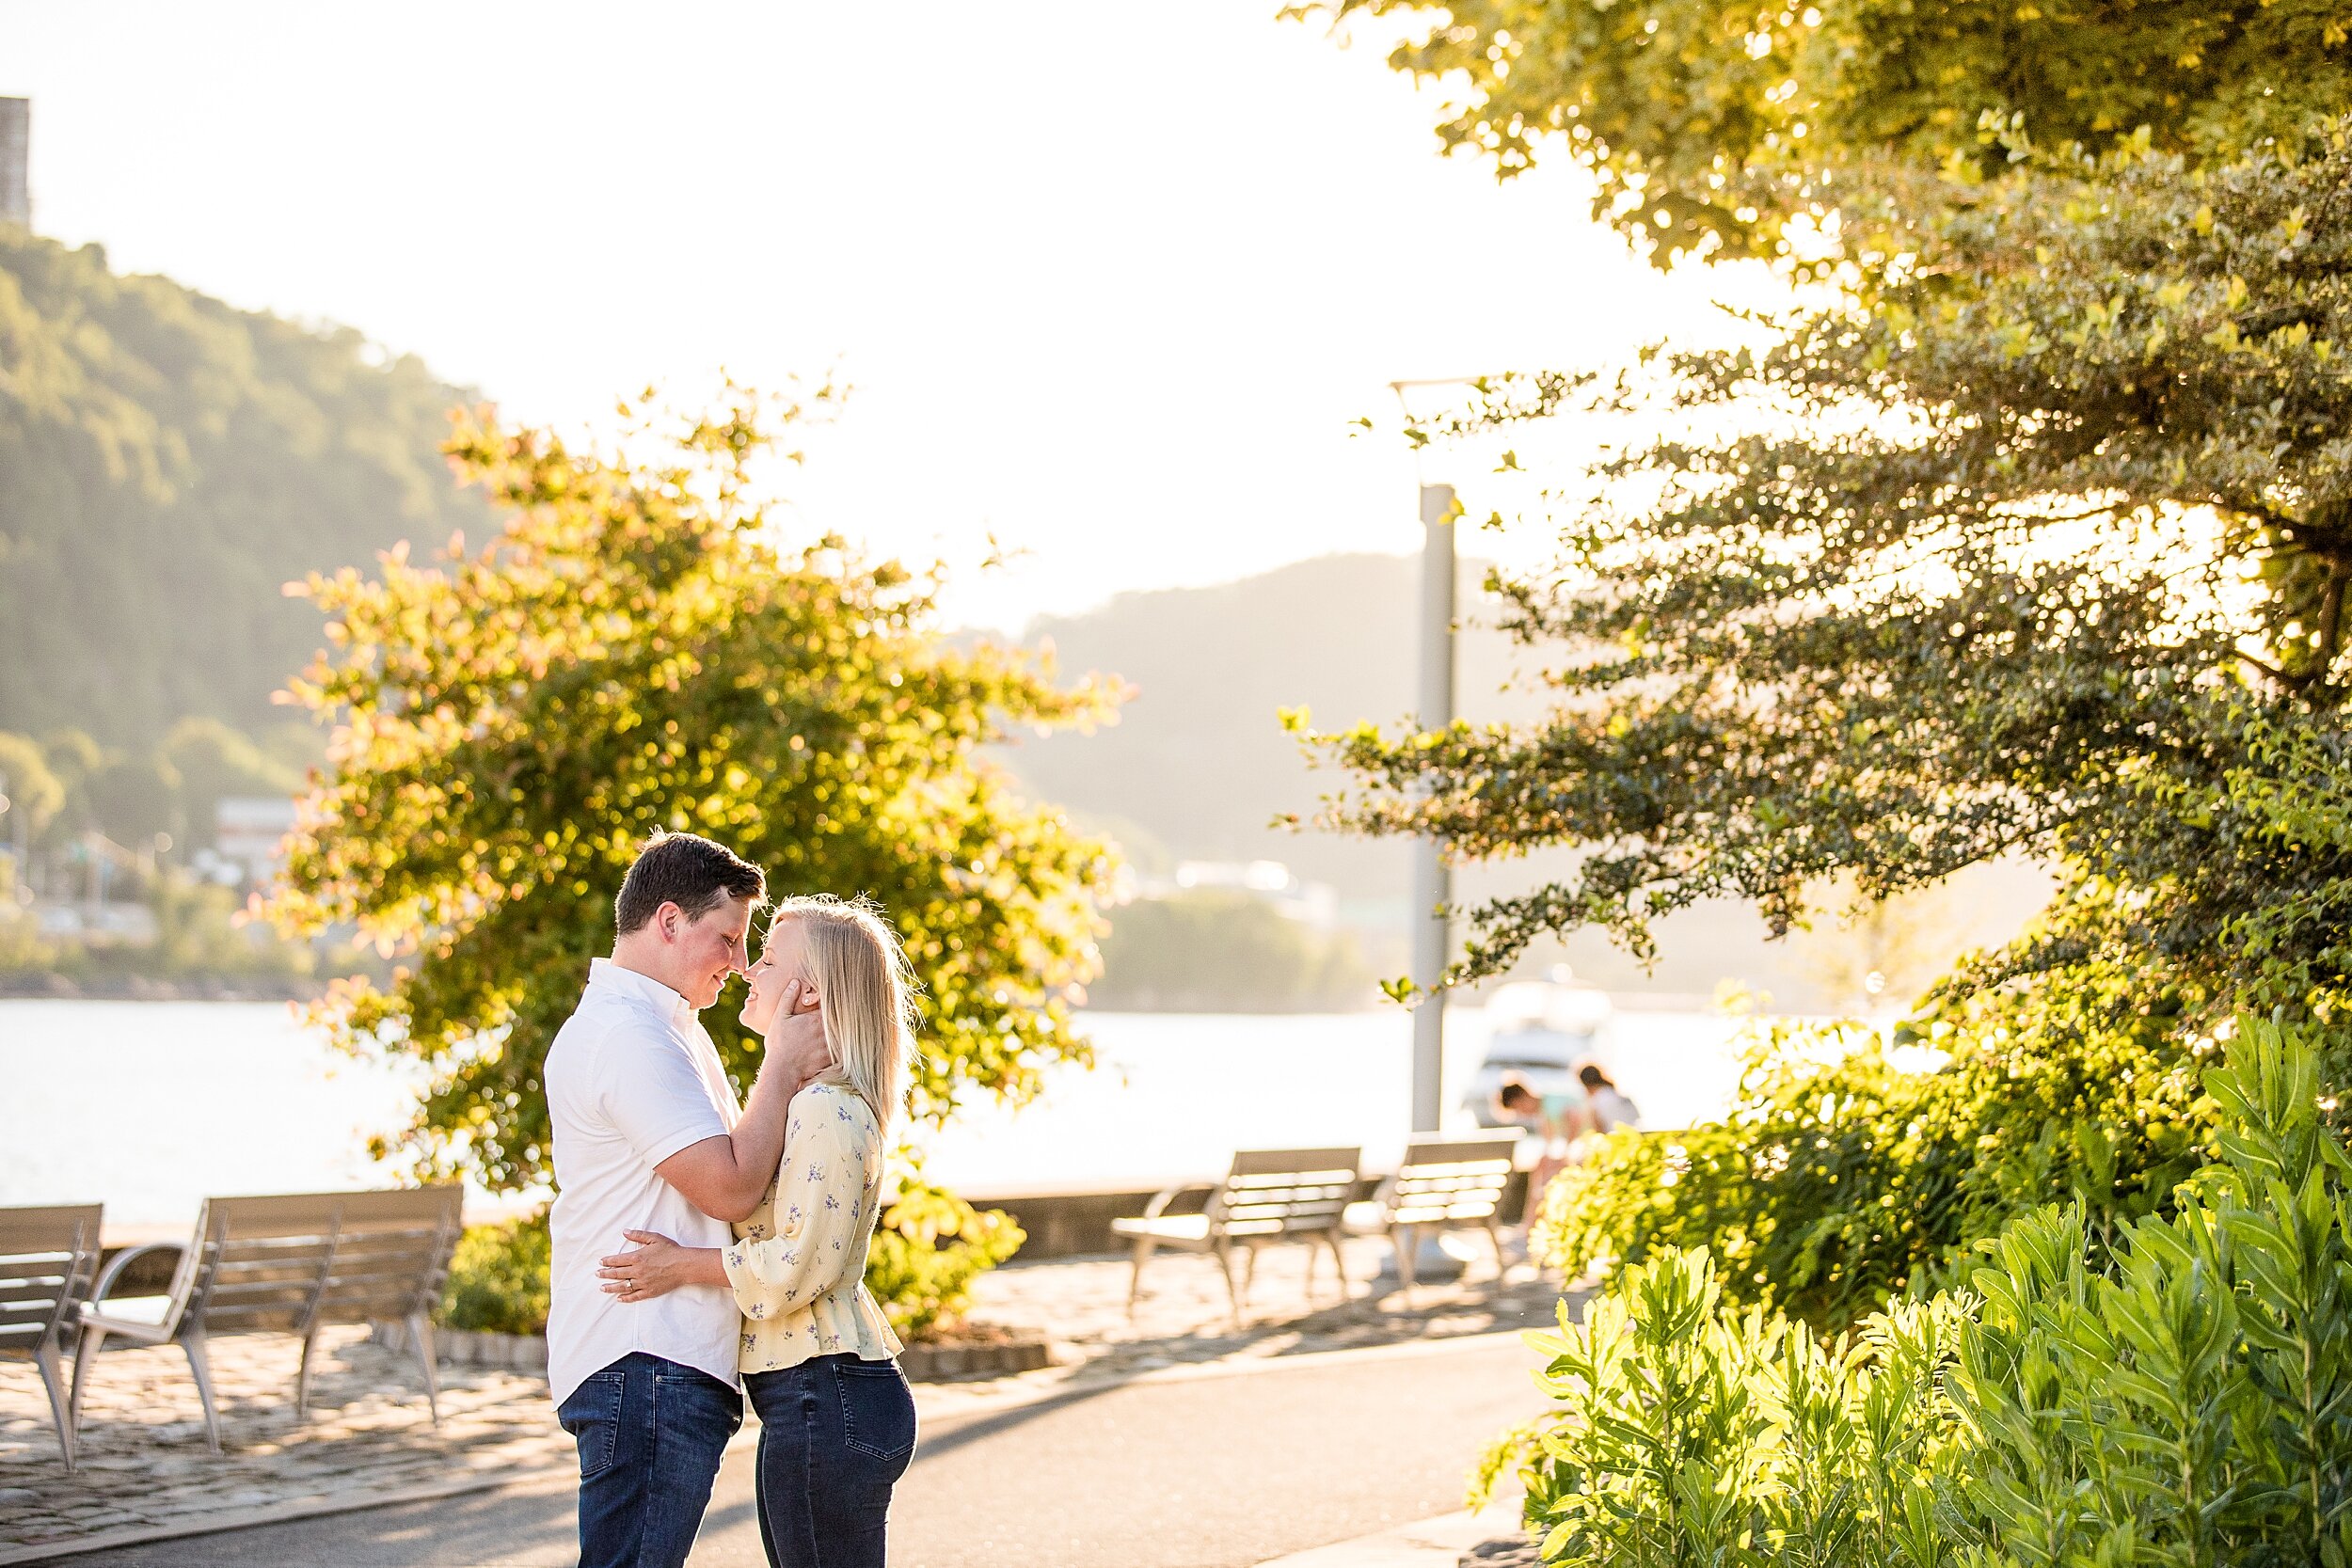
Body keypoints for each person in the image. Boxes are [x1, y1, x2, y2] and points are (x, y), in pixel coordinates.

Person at [600, 894, 918, 1568]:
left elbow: (794, 1266)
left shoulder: (827, 1112)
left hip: (825, 1399)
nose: (748, 969)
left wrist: (684, 1264)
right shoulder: (805, 1104)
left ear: (806, 994)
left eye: (768, 959)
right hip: (816, 1401)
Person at [544, 832, 833, 1568]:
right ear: (668, 921)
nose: (739, 965)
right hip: (645, 1361)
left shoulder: (666, 1029)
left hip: (656, 1365)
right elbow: (732, 1184)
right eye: (728, 938)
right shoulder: (628, 1035)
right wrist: (782, 1063)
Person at [1578, 1062, 1642, 1135]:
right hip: (1637, 1136)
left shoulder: (1596, 1101)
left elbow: (1599, 1131)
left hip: (1617, 1139)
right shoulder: (1615, 1093)